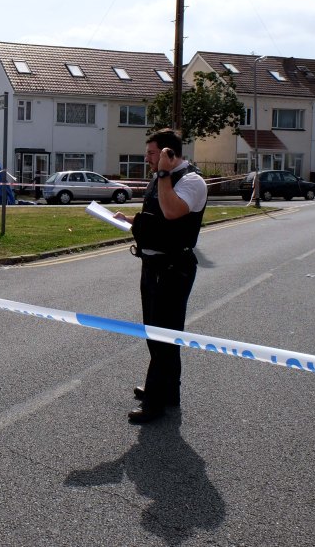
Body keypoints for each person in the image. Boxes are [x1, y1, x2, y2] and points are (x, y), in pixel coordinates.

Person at [114, 129, 208, 423]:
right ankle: (168, 390)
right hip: (152, 265)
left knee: (164, 333)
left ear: (170, 154)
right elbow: (156, 217)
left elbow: (171, 212)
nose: (147, 159)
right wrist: (128, 220)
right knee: (155, 332)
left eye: (153, 153)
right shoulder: (161, 178)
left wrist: (165, 174)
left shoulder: (192, 181)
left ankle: (155, 401)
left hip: (174, 267)